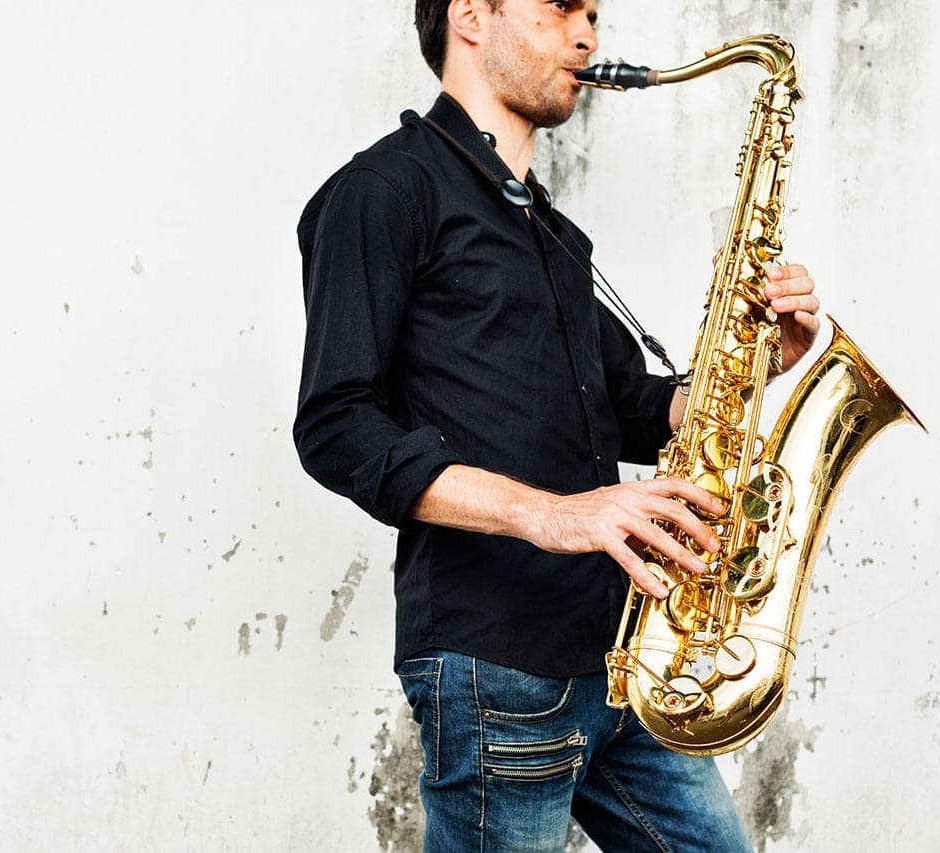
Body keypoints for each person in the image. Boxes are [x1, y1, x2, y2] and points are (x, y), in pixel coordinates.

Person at [292, 1, 822, 850]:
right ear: (472, 15)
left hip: (617, 657)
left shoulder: (548, 229)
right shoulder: (382, 192)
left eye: (593, 16)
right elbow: (336, 425)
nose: (587, 36)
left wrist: (755, 362)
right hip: (496, 664)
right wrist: (548, 513)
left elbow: (631, 407)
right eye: (559, 8)